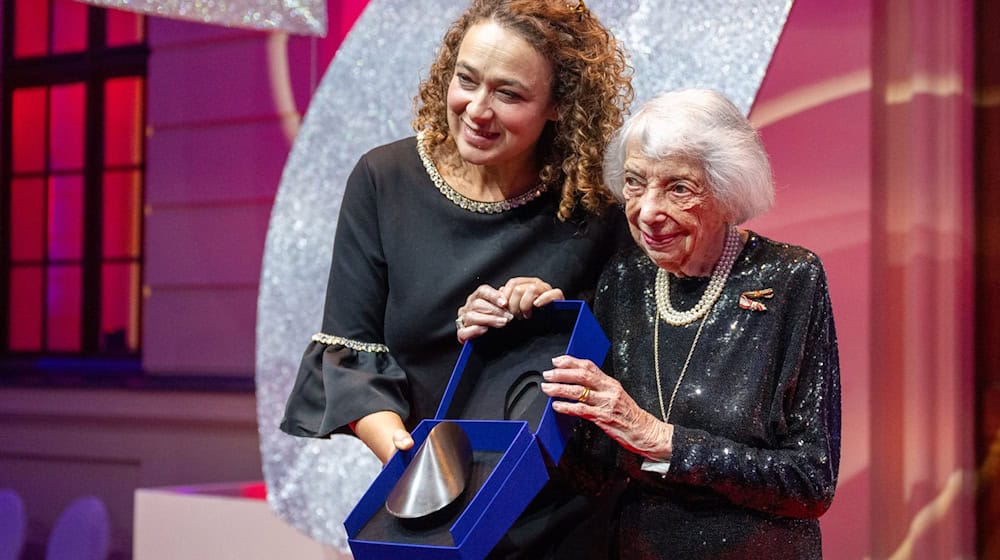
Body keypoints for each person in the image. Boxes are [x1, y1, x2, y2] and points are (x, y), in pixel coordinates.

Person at [279, 0, 632, 557]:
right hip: (430, 508)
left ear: (560, 105)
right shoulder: (383, 180)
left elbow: (630, 354)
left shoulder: (596, 200)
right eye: (466, 80)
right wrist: (409, 455)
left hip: (567, 519)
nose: (477, 109)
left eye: (509, 94)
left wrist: (560, 314)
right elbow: (350, 354)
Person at [536, 89, 842, 558]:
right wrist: (532, 327)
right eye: (635, 184)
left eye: (678, 188)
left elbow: (811, 482)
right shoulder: (624, 276)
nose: (647, 211)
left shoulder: (788, 278)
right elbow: (592, 469)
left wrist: (665, 442)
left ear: (727, 191)